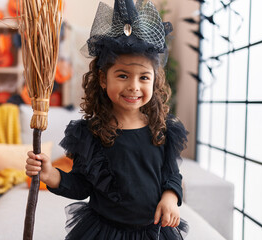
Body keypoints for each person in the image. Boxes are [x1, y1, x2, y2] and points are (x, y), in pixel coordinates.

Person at [26, 0, 189, 239]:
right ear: (103, 79)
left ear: (155, 81)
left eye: (144, 77)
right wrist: (51, 174)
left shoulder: (162, 130)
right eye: (122, 75)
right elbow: (82, 185)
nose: (133, 86)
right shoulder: (91, 133)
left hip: (152, 232)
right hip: (105, 231)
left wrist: (170, 198)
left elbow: (172, 176)